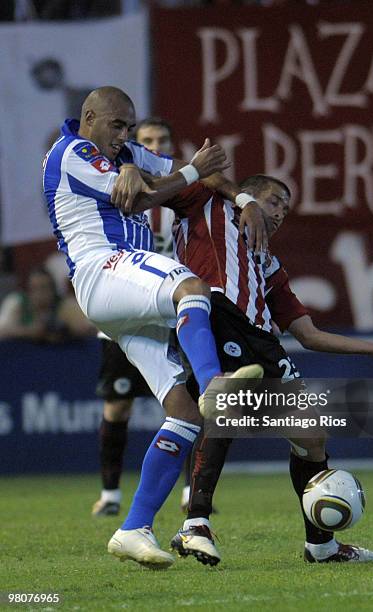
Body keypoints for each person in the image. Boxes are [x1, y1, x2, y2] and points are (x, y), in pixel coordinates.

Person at [112, 174, 373, 565]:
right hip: (216, 313)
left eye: (286, 209)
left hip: (262, 339)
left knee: (312, 435)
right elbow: (183, 180)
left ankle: (320, 546)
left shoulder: (268, 263)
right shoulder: (211, 208)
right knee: (225, 407)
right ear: (248, 198)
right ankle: (195, 524)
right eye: (274, 202)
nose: (280, 213)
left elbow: (308, 334)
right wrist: (138, 169)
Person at [42, 86, 266, 569]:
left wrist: (242, 196)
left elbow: (195, 181)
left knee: (183, 415)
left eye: (129, 127)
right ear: (88, 118)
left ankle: (134, 527)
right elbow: (144, 195)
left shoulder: (123, 153)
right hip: (103, 269)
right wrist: (177, 171)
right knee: (192, 287)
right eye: (116, 126)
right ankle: (215, 386)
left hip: (124, 292)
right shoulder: (69, 152)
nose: (123, 136)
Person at [92, 116, 192, 517]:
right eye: (147, 140)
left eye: (162, 139)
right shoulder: (116, 186)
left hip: (174, 306)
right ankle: (111, 494)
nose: (156, 145)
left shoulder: (183, 198)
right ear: (135, 146)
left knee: (194, 400)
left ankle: (192, 494)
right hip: (126, 306)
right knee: (118, 406)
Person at [0, 266, 94, 341]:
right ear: (27, 291)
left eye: (44, 288)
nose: (39, 294)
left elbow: (91, 328)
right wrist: (28, 332)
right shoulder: (16, 302)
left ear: (53, 290)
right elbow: (2, 332)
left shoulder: (65, 304)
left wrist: (72, 330)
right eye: (34, 289)